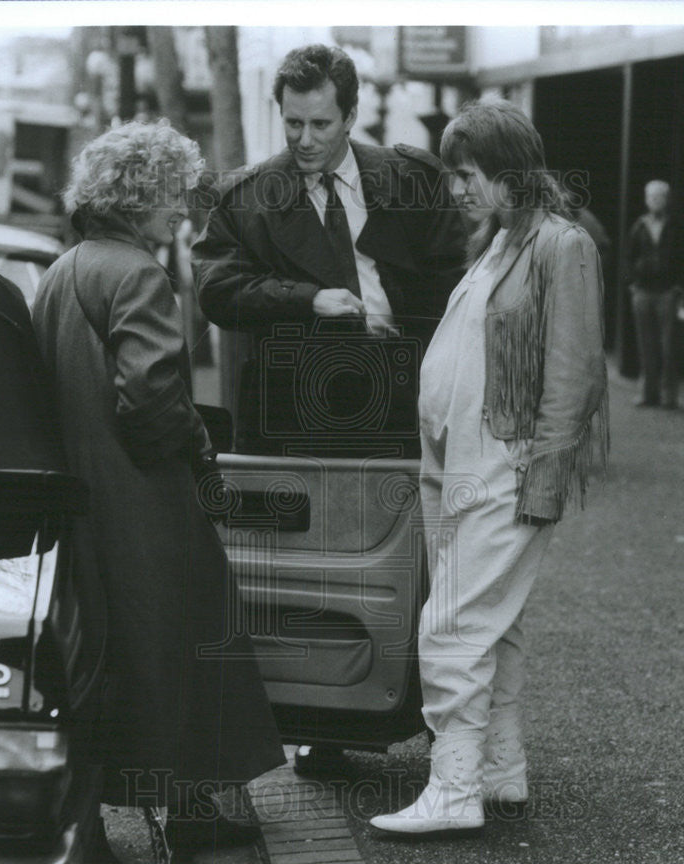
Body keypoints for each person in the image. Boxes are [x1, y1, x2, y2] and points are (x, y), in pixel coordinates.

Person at [192, 43, 466, 776]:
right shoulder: (247, 195)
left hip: (401, 395)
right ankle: (328, 723)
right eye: (292, 125)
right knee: (319, 573)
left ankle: (449, 729)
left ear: (350, 113)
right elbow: (215, 289)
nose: (305, 140)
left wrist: (418, 342)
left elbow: (453, 271)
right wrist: (308, 300)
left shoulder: (407, 178)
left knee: (427, 563)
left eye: (320, 124)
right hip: (295, 409)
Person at [31, 120, 286, 864]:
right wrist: (191, 455)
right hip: (143, 497)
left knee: (110, 664)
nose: (184, 210)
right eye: (174, 194)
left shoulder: (65, 267)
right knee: (182, 653)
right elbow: (149, 398)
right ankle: (191, 813)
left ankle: (100, 827)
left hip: (83, 502)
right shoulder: (138, 274)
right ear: (140, 195)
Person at [369, 100, 609, 836]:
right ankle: (501, 774)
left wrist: (541, 479)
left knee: (451, 626)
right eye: (452, 173)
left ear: (508, 171)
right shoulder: (504, 241)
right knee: (493, 627)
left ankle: (454, 790)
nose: (456, 188)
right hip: (459, 462)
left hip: (503, 465)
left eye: (467, 173)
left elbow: (574, 373)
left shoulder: (560, 245)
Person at [627, 180, 684, 409]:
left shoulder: (676, 226)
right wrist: (632, 282)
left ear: (667, 199)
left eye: (659, 196)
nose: (655, 200)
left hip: (667, 292)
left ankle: (669, 395)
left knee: (669, 345)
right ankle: (647, 393)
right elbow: (629, 255)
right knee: (646, 345)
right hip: (643, 291)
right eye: (651, 196)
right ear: (646, 199)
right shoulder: (639, 226)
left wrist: (678, 285)